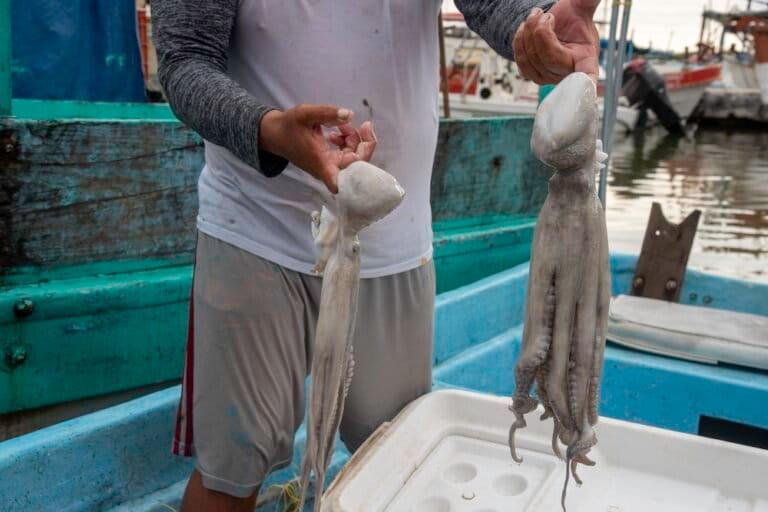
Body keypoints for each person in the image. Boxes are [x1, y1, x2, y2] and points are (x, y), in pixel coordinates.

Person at [152, 0, 600, 510]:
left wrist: (536, 30)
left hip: (396, 235)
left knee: (397, 456)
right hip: (254, 225)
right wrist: (270, 130)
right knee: (230, 468)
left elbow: (494, 4)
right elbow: (186, 60)